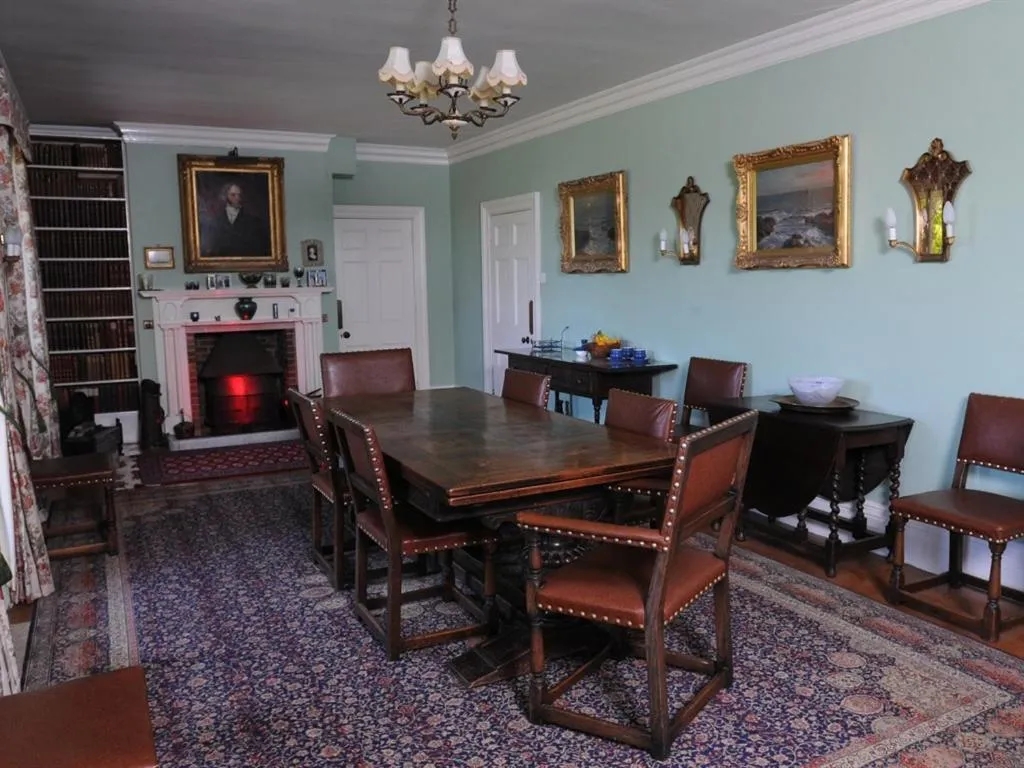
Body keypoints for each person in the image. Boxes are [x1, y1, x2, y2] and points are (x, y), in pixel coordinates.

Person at [200, 182, 271, 258]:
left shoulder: (253, 220)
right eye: (233, 195)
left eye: (239, 195)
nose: (237, 198)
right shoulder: (217, 220)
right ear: (225, 196)